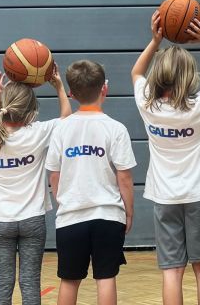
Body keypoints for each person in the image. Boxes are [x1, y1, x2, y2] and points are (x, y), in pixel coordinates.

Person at [131, 11, 200, 305]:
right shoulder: (198, 105)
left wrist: (155, 41)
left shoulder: (147, 104)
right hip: (199, 194)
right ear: (189, 76)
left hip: (164, 196)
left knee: (172, 271)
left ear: (159, 75)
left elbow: (136, 73)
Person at [45, 60, 136, 305]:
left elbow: (54, 175)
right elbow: (125, 177)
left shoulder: (61, 129)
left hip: (71, 217)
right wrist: (128, 212)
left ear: (71, 94)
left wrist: (65, 201)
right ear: (104, 88)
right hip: (108, 215)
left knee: (69, 280)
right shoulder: (116, 129)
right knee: (105, 278)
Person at [0, 68, 71, 305]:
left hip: (0, 221)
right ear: (31, 111)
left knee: (2, 283)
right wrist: (60, 87)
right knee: (30, 282)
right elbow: (67, 120)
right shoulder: (36, 133)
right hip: (32, 219)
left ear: (4, 107)